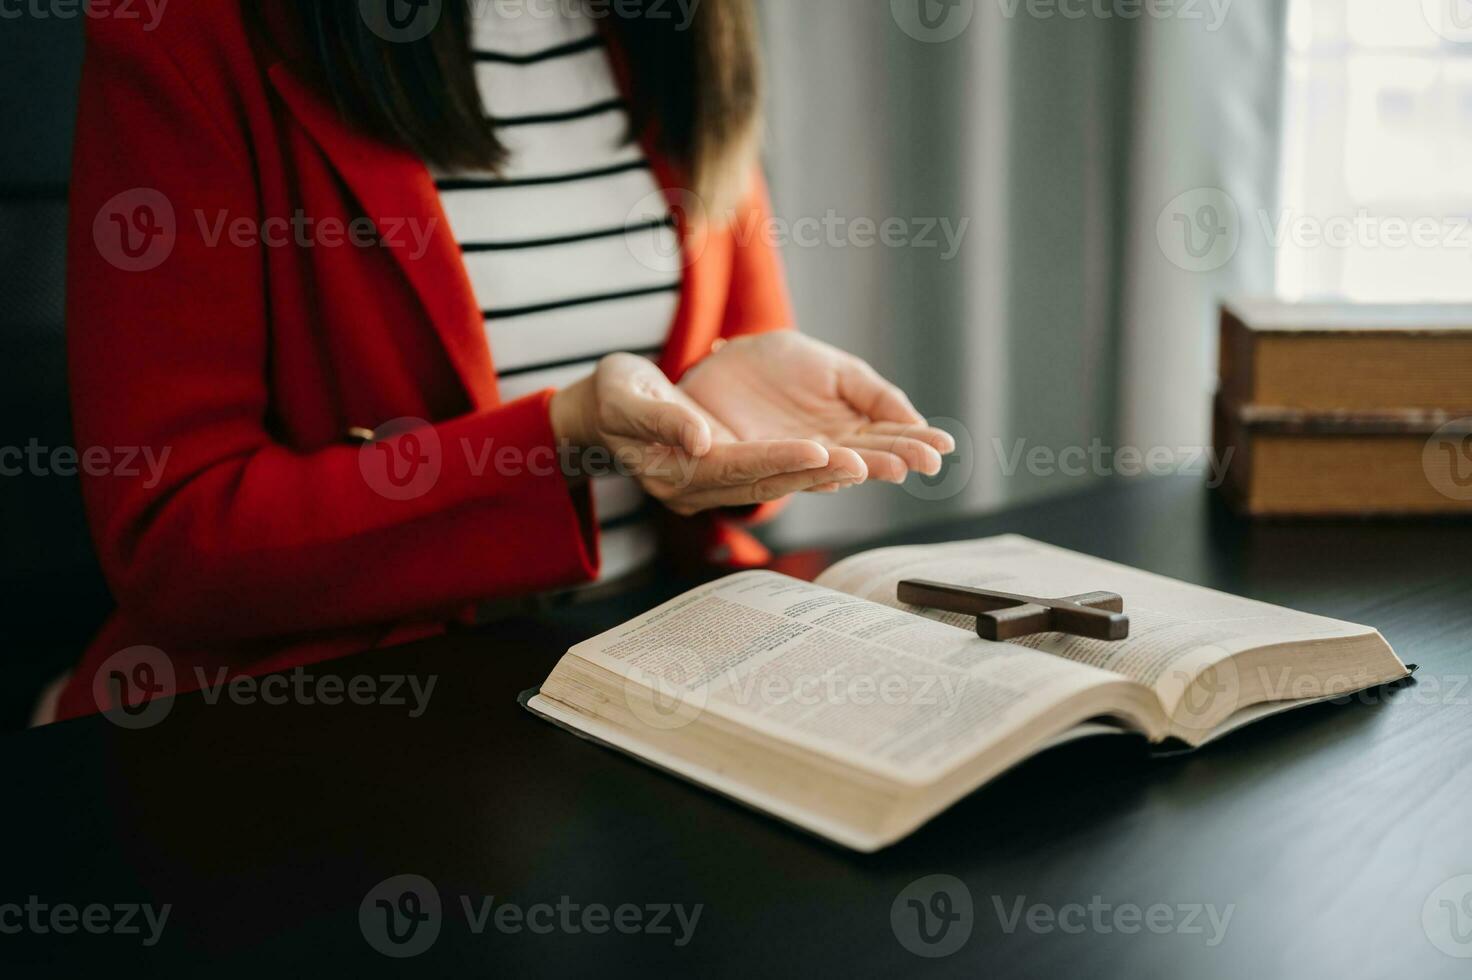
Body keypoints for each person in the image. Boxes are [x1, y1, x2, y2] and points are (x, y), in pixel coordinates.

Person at [48, 0, 952, 722]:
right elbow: (173, 537)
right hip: (363, 706)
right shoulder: (185, 31)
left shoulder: (679, 29)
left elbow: (730, 431)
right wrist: (558, 437)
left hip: (665, 652)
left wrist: (726, 437)